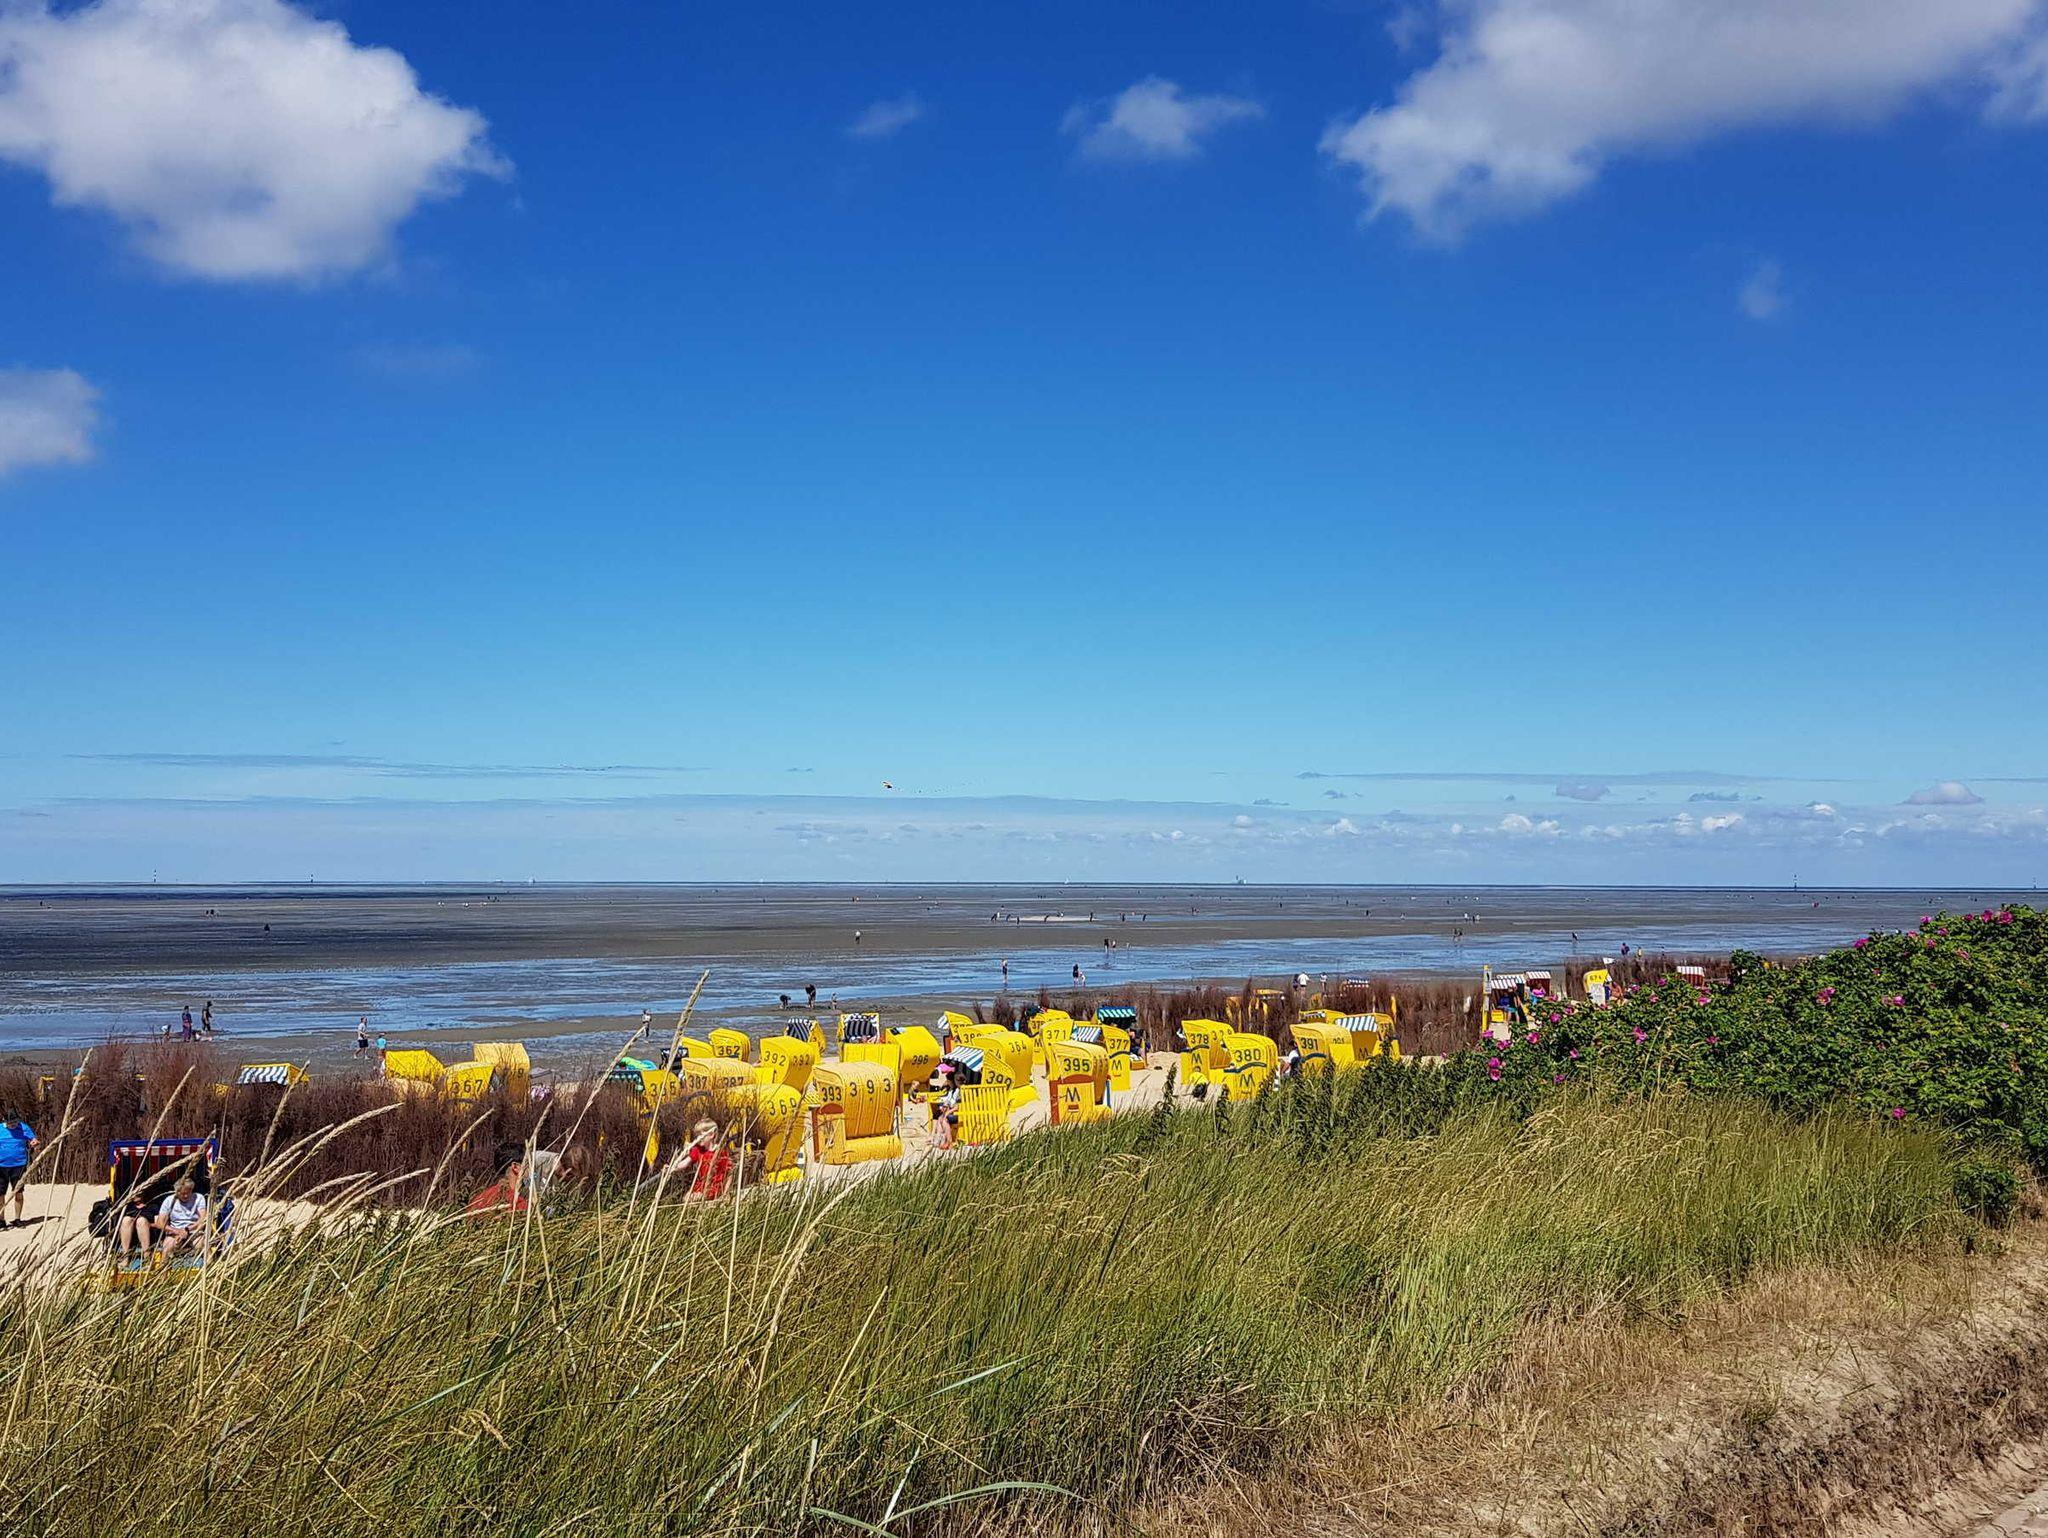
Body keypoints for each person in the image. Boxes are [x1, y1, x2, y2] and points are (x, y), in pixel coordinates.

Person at [465, 1142, 529, 1216]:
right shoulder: (517, 1204)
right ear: (515, 1167)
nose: (532, 1169)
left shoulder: (480, 1199)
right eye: (528, 1164)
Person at [152, 1178, 208, 1257]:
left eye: (188, 1193)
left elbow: (203, 1218)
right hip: (174, 1232)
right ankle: (164, 1265)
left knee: (203, 1246)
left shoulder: (198, 1198)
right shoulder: (169, 1200)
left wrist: (187, 1230)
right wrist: (177, 1231)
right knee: (166, 1249)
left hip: (193, 1231)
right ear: (177, 1192)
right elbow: (159, 1223)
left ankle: (210, 1263)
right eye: (183, 1193)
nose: (186, 1196)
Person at [678, 1120, 730, 1201]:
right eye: (696, 1136)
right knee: (686, 1198)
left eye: (700, 1135)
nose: (698, 1138)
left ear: (711, 1135)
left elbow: (729, 1173)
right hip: (701, 1185)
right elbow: (685, 1162)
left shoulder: (721, 1152)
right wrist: (673, 1167)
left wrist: (726, 1193)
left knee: (698, 1197)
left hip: (714, 1186)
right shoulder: (698, 1150)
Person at [0, 1113, 36, 1230]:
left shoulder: (24, 1128)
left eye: (15, 1122)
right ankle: (1, 1220)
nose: (12, 1125)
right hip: (1, 1166)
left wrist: (34, 1143)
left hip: (19, 1165)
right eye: (9, 1123)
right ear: (4, 1121)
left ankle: (17, 1219)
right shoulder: (0, 1129)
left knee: (18, 1192)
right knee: (0, 1194)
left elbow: (33, 1140)